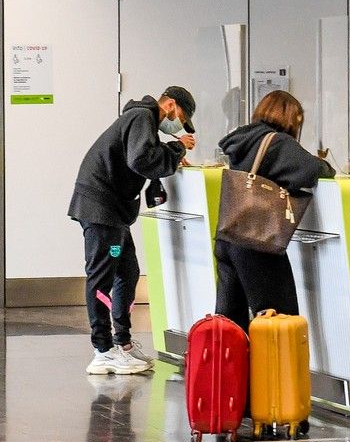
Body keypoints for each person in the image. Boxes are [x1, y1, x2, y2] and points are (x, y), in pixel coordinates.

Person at [69, 86, 196, 375]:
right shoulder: (142, 117)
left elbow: (142, 156)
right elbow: (140, 159)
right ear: (171, 105)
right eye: (181, 117)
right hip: (100, 208)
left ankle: (122, 343)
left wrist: (171, 155)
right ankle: (102, 350)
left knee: (127, 272)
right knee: (101, 276)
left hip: (110, 210)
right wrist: (177, 148)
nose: (178, 125)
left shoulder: (143, 120)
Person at [214, 90, 334, 333]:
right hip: (257, 241)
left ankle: (230, 370)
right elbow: (312, 170)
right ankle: (274, 372)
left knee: (230, 323)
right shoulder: (276, 142)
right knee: (279, 320)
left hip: (228, 238)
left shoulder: (244, 139)